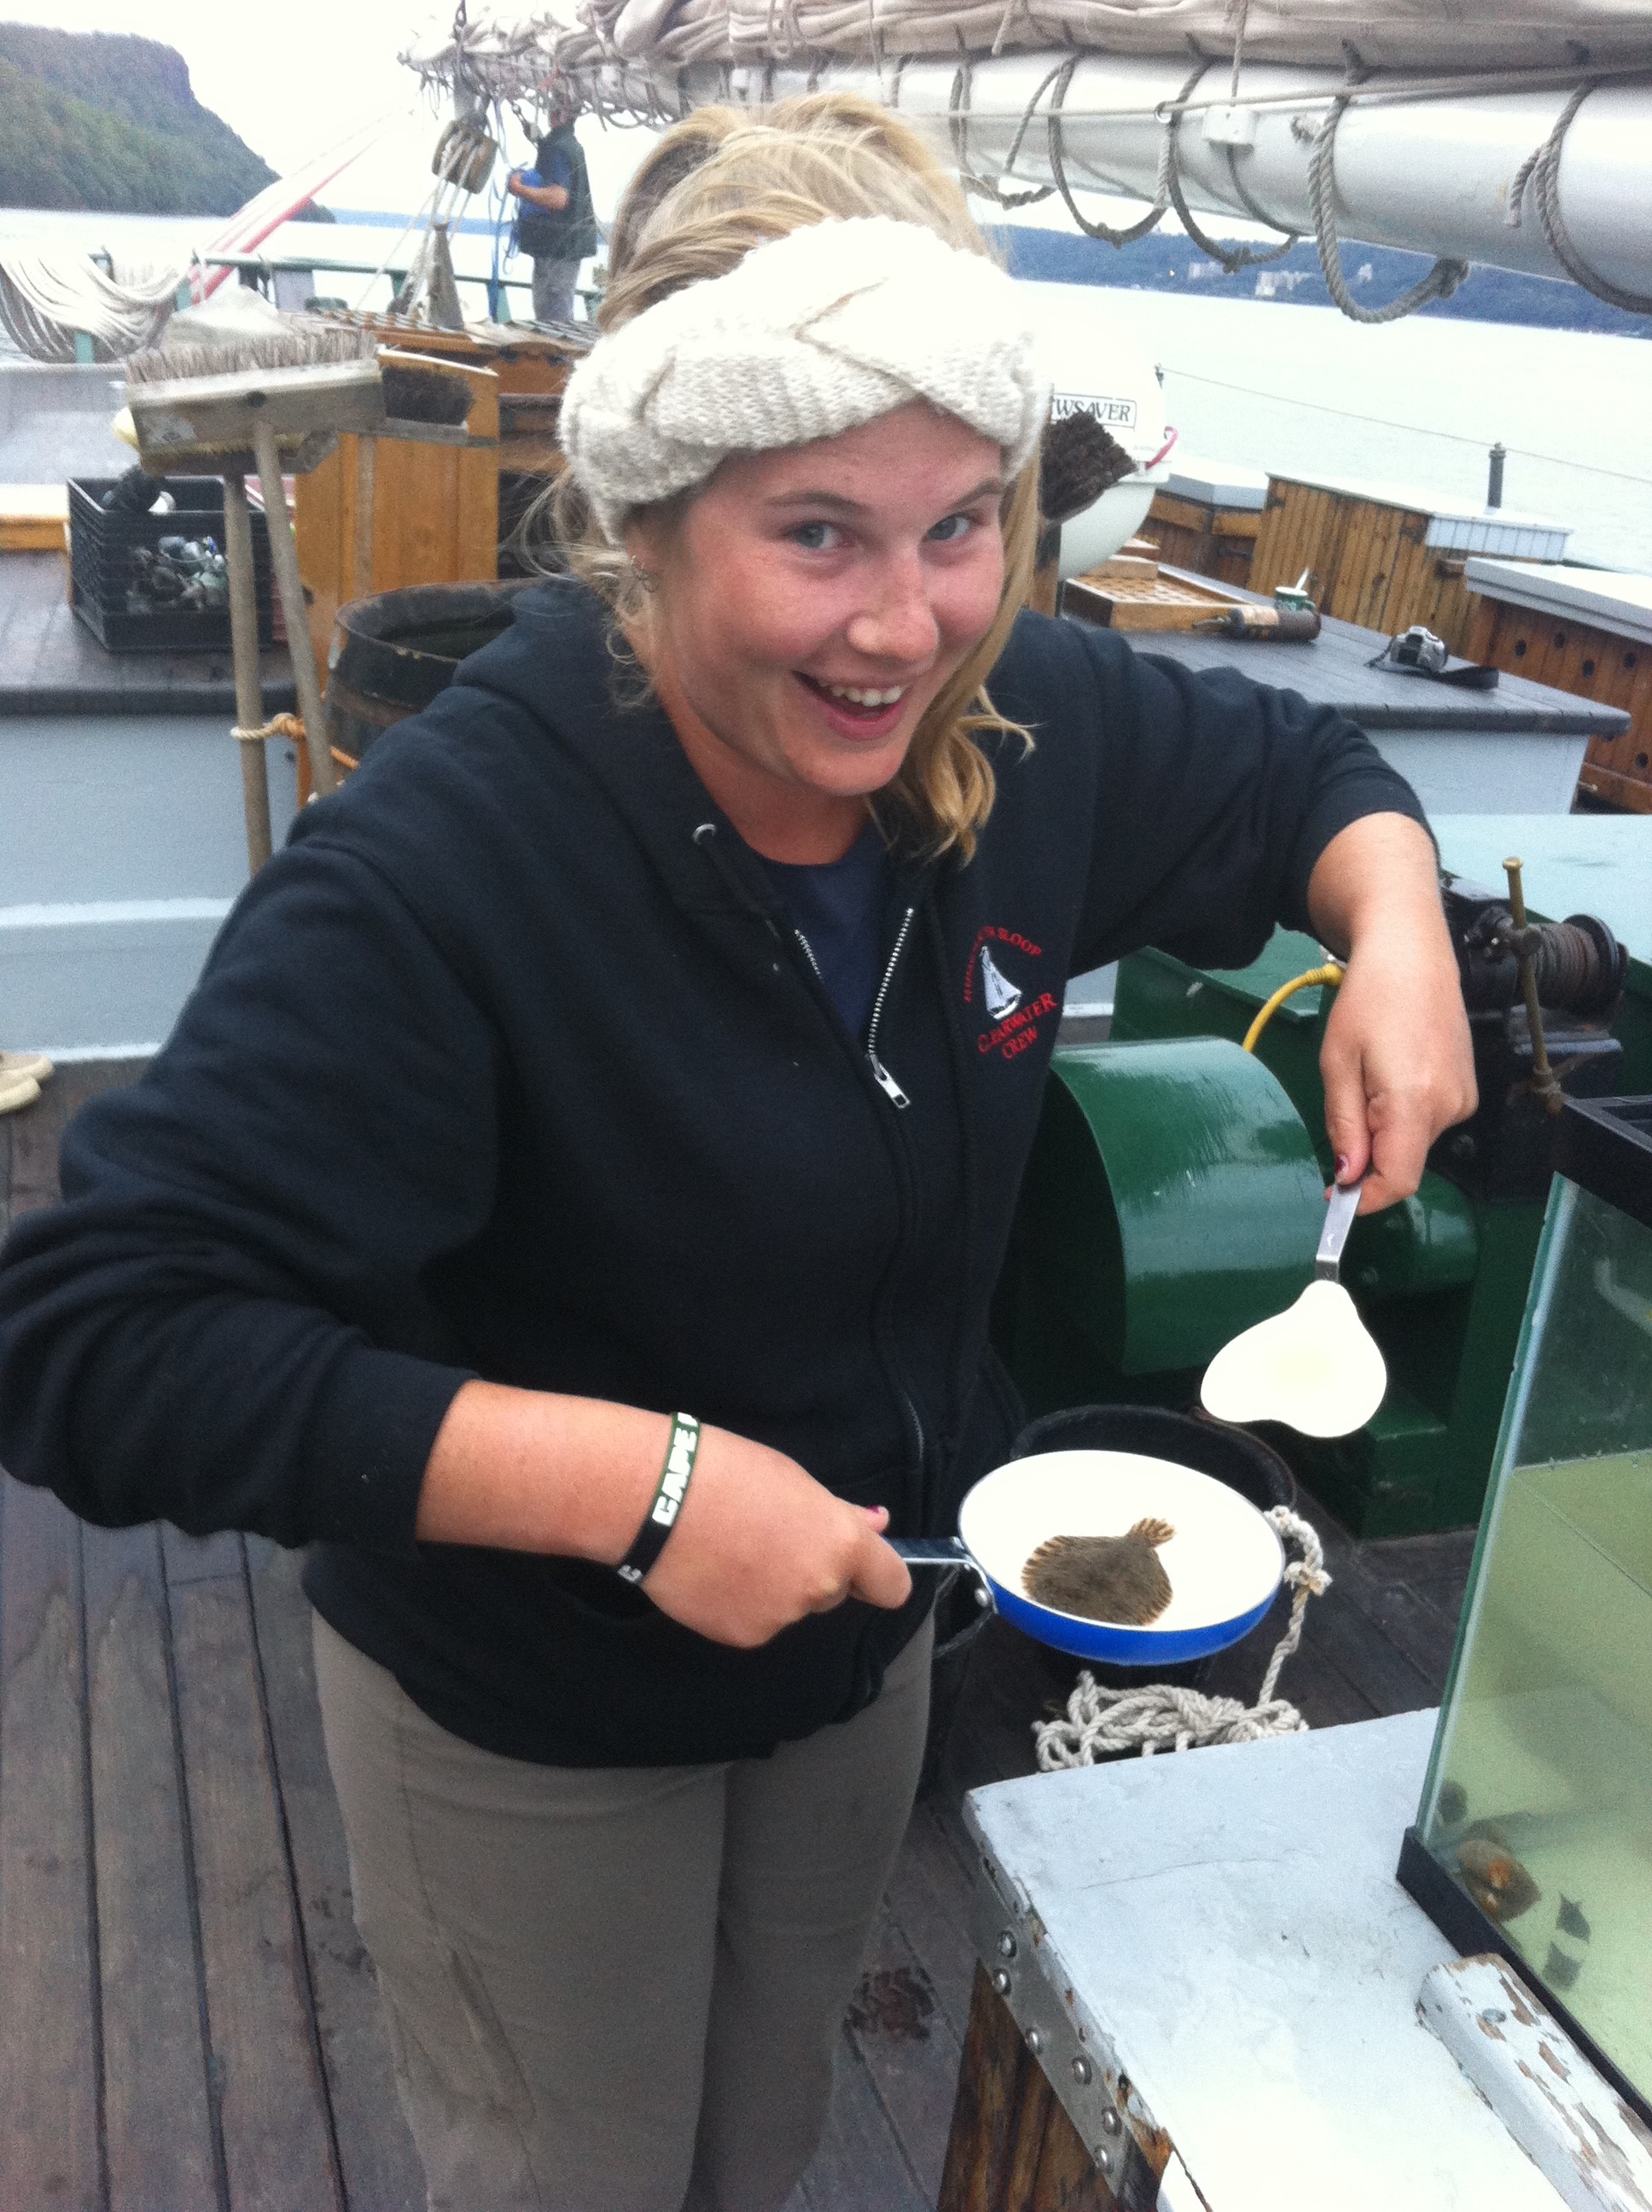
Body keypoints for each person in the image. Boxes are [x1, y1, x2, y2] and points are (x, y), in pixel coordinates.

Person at [0, 95, 1475, 2212]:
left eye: (961, 525)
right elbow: (94, 1333)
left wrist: (1392, 932)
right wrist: (646, 1489)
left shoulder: (1015, 727)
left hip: (864, 1644)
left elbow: (1301, 771)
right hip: (530, 1704)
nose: (905, 627)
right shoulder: (447, 864)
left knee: (755, 2148)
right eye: (816, 533)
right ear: (650, 514)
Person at [506, 96, 598, 324]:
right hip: (566, 245)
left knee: (552, 314)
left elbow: (559, 198)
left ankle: (558, 348)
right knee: (556, 309)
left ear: (561, 113)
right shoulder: (571, 145)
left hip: (557, 247)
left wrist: (519, 188)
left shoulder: (556, 147)